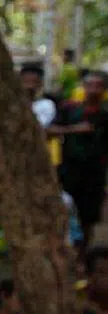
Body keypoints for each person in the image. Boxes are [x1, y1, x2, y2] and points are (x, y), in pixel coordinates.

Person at [50, 70, 108, 244]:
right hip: (69, 169)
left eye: (98, 86)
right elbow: (49, 130)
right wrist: (73, 129)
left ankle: (84, 252)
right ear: (83, 87)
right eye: (90, 85)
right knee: (64, 208)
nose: (93, 90)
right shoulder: (69, 108)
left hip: (95, 173)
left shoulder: (105, 113)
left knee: (88, 215)